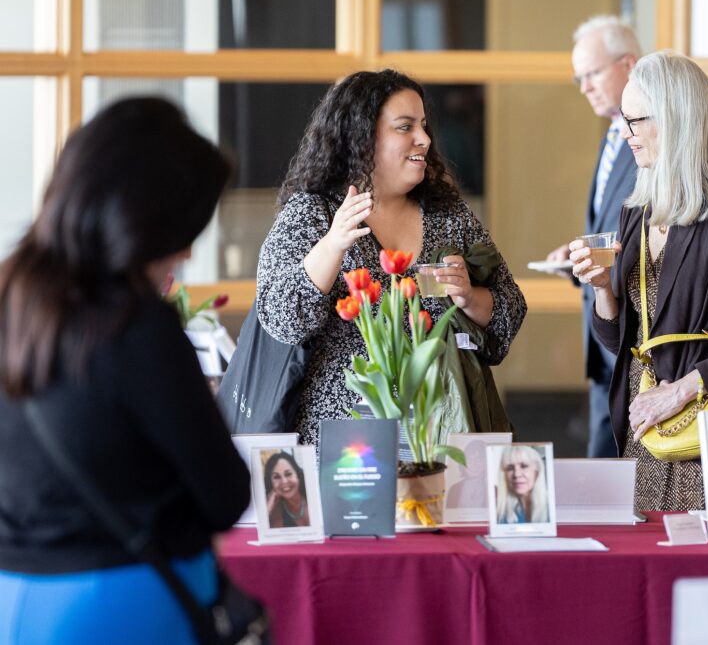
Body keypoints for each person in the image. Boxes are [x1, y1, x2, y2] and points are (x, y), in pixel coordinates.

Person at [0, 98, 251, 644]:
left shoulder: (11, 302)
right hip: (122, 603)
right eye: (183, 231)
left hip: (14, 597)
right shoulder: (135, 326)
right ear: (141, 222)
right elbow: (225, 495)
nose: (184, 252)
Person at [571, 51, 708, 512]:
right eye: (622, 122)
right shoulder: (637, 206)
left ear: (676, 117)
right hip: (647, 425)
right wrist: (601, 289)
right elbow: (620, 340)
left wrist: (682, 389)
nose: (625, 134)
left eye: (635, 121)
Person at [257, 69, 527, 445]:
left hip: (442, 434)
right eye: (405, 127)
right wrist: (333, 244)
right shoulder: (314, 214)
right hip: (348, 444)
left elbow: (509, 312)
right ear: (361, 137)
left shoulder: (446, 215)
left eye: (424, 125)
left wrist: (468, 296)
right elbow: (281, 318)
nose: (425, 139)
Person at [544, 16, 641, 459]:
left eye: (593, 73)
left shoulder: (650, 140)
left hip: (633, 333)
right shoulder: (613, 137)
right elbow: (614, 225)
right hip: (604, 330)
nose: (584, 87)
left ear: (629, 64)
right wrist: (578, 254)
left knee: (618, 470)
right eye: (578, 77)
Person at [495, 445, 549, 524]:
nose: (517, 474)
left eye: (524, 466)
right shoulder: (499, 514)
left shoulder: (553, 510)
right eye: (510, 468)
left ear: (537, 471)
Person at [265, 451, 311, 528]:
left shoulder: (313, 495)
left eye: (288, 474)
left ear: (298, 475)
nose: (284, 481)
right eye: (276, 477)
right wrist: (268, 508)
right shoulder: (276, 511)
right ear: (271, 483)